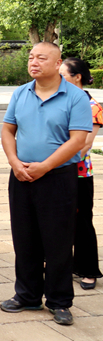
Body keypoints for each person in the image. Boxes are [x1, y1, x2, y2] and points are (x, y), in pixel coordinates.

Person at [0, 42, 91, 326]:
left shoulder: (75, 97)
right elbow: (8, 130)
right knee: (24, 238)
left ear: (57, 63)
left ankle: (59, 301)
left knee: (58, 242)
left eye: (41, 57)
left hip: (58, 178)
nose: (34, 62)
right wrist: (14, 162)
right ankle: (27, 295)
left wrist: (46, 166)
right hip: (22, 176)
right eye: (31, 57)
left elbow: (78, 140)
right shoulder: (20, 93)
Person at [59, 58, 103, 291]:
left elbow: (85, 145)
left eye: (63, 75)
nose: (58, 79)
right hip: (55, 169)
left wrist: (56, 161)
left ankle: (87, 269)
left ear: (77, 77)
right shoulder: (60, 99)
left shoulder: (93, 106)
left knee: (82, 220)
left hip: (78, 173)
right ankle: (60, 264)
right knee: (57, 219)